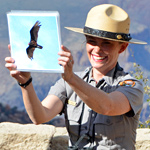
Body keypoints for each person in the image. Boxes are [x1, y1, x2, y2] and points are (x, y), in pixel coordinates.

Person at [5, 4, 147, 150]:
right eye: (92, 41)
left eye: (107, 43)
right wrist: (25, 83)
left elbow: (107, 106)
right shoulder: (68, 83)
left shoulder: (132, 86)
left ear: (122, 47)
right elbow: (40, 116)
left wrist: (71, 78)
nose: (97, 50)